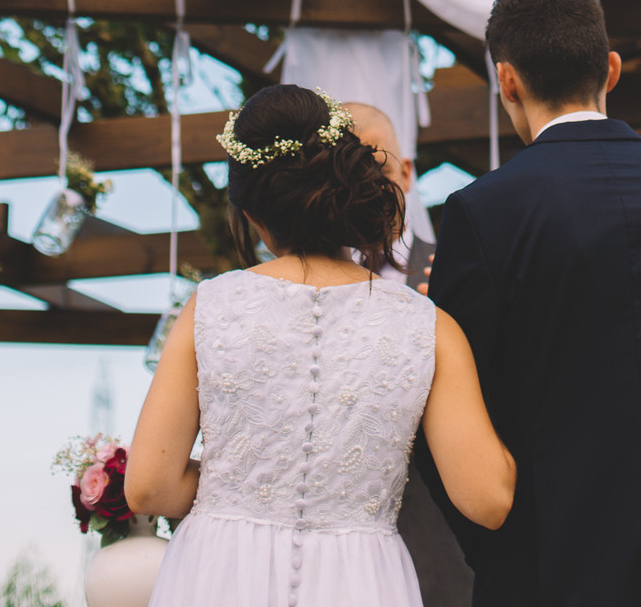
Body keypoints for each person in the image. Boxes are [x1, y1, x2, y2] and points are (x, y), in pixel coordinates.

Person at [422, 0, 641, 607]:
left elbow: (462, 398)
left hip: (546, 561)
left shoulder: (481, 213)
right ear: (611, 69)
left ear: (507, 81)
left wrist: (499, 545)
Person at [126, 84, 515, 607]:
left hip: (218, 572)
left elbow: (149, 487)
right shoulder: (429, 326)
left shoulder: (211, 306)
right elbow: (487, 499)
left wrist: (244, 484)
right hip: (362, 580)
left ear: (250, 214)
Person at [345, 100, 475, 607]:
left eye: (376, 166)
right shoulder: (298, 285)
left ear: (406, 170)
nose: (367, 185)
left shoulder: (456, 272)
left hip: (439, 542)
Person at [342, 101, 435, 290]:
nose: (368, 188)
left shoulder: (445, 268)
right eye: (352, 176)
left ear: (406, 175)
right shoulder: (306, 277)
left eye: (380, 171)